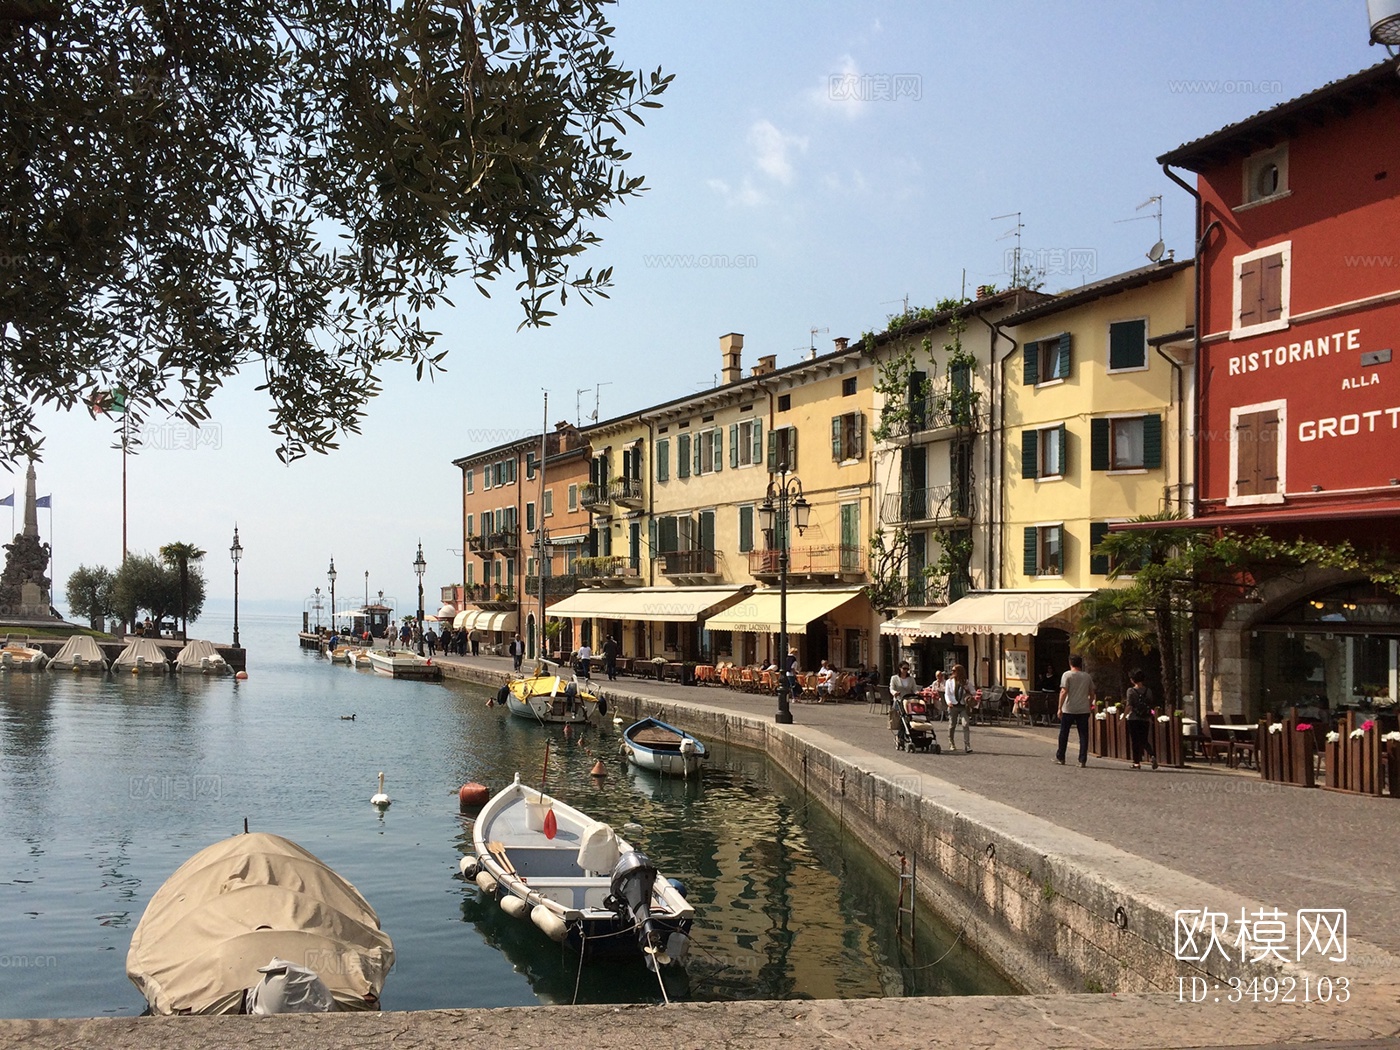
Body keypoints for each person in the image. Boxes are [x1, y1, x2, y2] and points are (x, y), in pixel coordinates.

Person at [1056, 654, 1097, 768]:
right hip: (1083, 709)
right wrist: (1089, 705)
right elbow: (1092, 693)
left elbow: (1064, 691)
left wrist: (1059, 707)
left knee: (1064, 733)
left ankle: (1061, 757)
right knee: (1083, 735)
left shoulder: (1067, 675)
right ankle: (1082, 759)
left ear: (1070, 663)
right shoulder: (1087, 676)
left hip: (1069, 708)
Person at [1125, 668, 1158, 770]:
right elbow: (1151, 706)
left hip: (1133, 718)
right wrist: (1152, 716)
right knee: (1144, 740)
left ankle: (1136, 762)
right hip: (1145, 718)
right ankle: (1152, 755)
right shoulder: (1148, 691)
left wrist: (1122, 716)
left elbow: (1129, 706)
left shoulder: (1131, 691)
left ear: (1133, 680)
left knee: (1135, 740)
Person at [888, 661, 918, 751]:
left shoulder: (911, 679)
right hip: (899, 701)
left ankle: (909, 736)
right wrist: (894, 693)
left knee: (910, 719)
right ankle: (900, 737)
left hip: (908, 701)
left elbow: (914, 689)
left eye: (907, 669)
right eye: (904, 668)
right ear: (900, 669)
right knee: (902, 720)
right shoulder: (894, 678)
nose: (906, 671)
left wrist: (918, 694)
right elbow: (891, 688)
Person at [944, 664, 973, 753]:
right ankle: (951, 743)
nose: (952, 672)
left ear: (959, 672)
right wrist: (948, 702)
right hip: (953, 705)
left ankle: (967, 745)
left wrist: (968, 690)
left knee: (965, 724)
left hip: (963, 706)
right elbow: (947, 693)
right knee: (952, 725)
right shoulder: (949, 682)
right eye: (952, 671)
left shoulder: (966, 682)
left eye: (954, 671)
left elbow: (974, 692)